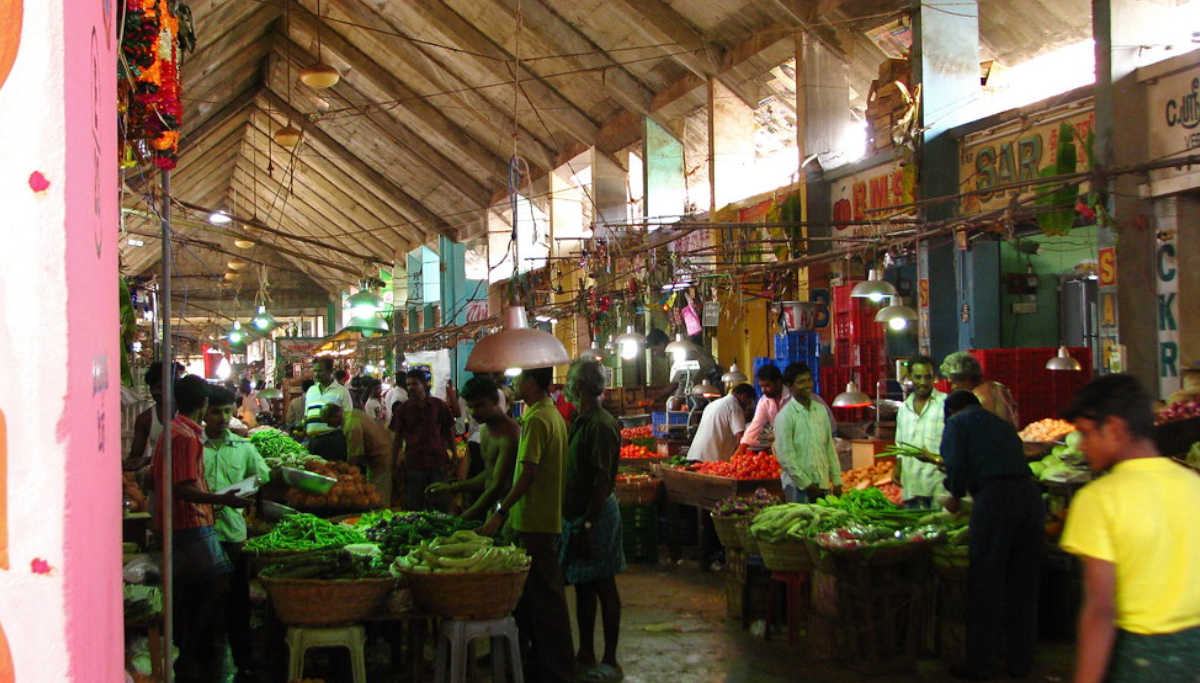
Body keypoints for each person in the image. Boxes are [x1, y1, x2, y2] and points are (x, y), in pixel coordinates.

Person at [1059, 374, 1200, 682]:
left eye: (1085, 433)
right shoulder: (1194, 484)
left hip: (1142, 657)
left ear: (1114, 429)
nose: (1082, 446)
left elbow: (1100, 610)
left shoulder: (1099, 499)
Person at [151, 375, 250, 683]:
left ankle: (194, 653)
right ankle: (193, 658)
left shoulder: (176, 431)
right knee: (213, 586)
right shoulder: (186, 436)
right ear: (204, 405)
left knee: (196, 593)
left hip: (187, 522)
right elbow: (182, 488)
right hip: (189, 523)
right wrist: (220, 499)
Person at [479, 367, 575, 683]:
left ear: (533, 383)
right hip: (544, 517)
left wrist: (500, 511)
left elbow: (528, 474)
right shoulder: (551, 415)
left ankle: (556, 669)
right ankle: (544, 663)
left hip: (534, 518)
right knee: (541, 596)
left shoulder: (535, 420)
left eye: (520, 379)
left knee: (546, 598)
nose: (515, 384)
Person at [941, 390, 1043, 680]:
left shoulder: (957, 424)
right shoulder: (1000, 424)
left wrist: (955, 493)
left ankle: (981, 665)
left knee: (986, 584)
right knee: (1023, 585)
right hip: (1030, 499)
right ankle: (1020, 663)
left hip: (996, 502)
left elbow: (956, 465)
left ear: (950, 411)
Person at [558, 360, 625, 682]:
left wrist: (588, 524)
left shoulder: (599, 424)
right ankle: (585, 652)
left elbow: (601, 480)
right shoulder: (581, 420)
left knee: (603, 584)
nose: (567, 387)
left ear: (581, 386)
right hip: (581, 514)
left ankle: (611, 659)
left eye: (570, 381)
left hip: (596, 515)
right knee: (584, 586)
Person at [201, 387, 270, 683]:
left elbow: (263, 476)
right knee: (205, 605)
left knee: (237, 604)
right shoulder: (193, 447)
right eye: (215, 411)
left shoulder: (245, 448)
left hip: (232, 535)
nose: (221, 418)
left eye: (226, 411)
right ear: (204, 412)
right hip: (202, 536)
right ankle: (208, 662)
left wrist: (247, 489)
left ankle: (244, 661)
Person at [427, 376, 519, 521]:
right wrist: (452, 488)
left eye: (480, 405)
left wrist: (461, 519)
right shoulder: (484, 430)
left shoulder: (510, 435)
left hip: (509, 514)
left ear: (495, 400)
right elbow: (489, 474)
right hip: (493, 511)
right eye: (470, 407)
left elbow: (497, 486)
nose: (474, 412)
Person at [774, 362, 841, 503]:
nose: (807, 385)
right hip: (797, 488)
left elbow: (829, 447)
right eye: (801, 382)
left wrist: (837, 480)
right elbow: (785, 457)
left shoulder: (821, 410)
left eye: (809, 380)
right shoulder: (785, 416)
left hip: (822, 484)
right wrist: (806, 484)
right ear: (790, 386)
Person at [390, 368, 455, 511]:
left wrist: (454, 456)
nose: (410, 388)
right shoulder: (402, 410)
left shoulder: (438, 406)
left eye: (414, 384)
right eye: (408, 385)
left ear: (425, 384)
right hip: (414, 465)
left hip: (437, 462)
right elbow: (397, 439)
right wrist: (393, 463)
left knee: (441, 505)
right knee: (414, 506)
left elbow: (449, 432)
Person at [895, 356, 948, 508]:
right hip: (911, 485)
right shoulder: (904, 408)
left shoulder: (945, 404)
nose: (923, 382)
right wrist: (898, 467)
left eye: (928, 377)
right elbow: (899, 444)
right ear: (910, 377)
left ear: (934, 377)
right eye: (918, 377)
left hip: (939, 485)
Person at [941, 351, 1019, 426]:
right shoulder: (999, 388)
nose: (953, 388)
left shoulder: (974, 400)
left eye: (954, 382)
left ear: (966, 378)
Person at [126, 361, 174, 472]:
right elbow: (135, 456)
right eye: (153, 388)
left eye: (160, 387)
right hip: (159, 474)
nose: (156, 392)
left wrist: (147, 460)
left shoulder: (185, 412)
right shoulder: (145, 419)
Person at [688, 384, 756, 463]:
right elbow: (741, 437)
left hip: (694, 455)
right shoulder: (734, 406)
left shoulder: (714, 404)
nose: (748, 406)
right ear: (743, 396)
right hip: (710, 460)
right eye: (749, 402)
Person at [344, 405, 395, 507]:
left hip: (380, 456)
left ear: (334, 417)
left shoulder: (350, 424)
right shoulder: (354, 413)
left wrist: (348, 472)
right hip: (385, 450)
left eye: (329, 421)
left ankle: (381, 516)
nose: (329, 425)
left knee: (379, 493)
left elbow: (355, 453)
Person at [739, 364, 789, 452]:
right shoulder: (764, 401)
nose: (763, 390)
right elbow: (755, 425)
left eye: (767, 386)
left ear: (778, 382)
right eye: (761, 386)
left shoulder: (793, 397)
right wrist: (741, 448)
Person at [305, 357, 354, 437]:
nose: (316, 374)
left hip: (332, 441)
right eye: (315, 371)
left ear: (331, 371)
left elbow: (348, 418)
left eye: (320, 371)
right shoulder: (311, 390)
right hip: (312, 441)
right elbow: (307, 416)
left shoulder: (342, 391)